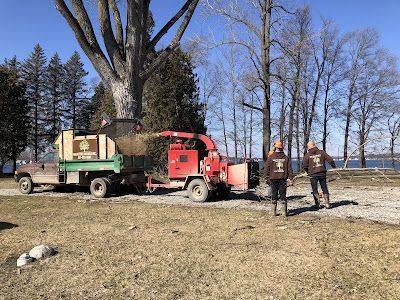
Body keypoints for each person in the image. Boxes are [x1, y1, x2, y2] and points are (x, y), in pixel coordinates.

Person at [302, 141, 336, 209]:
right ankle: (327, 204)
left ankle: (317, 204)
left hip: (313, 175)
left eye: (308, 146)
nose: (307, 148)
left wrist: (307, 172)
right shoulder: (322, 152)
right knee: (324, 188)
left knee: (314, 189)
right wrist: (333, 166)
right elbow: (330, 160)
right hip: (322, 173)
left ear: (310, 146)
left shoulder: (308, 155)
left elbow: (304, 166)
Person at [265, 141, 293, 217]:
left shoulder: (271, 157)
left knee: (274, 195)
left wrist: (266, 178)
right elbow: (290, 169)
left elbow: (267, 168)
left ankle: (273, 212)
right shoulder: (286, 158)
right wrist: (291, 179)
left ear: (275, 147)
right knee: (283, 195)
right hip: (282, 179)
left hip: (273, 179)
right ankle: (284, 213)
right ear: (281, 148)